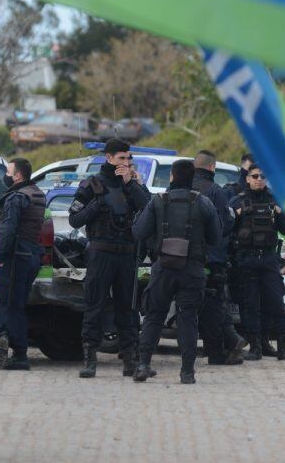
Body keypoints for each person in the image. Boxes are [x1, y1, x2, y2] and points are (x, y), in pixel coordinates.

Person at [132, 159, 222, 384]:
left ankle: (143, 364)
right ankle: (187, 371)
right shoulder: (204, 203)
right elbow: (215, 238)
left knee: (154, 315)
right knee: (188, 318)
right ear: (192, 178)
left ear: (171, 177)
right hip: (192, 269)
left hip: (163, 267)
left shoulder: (157, 201)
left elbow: (139, 232)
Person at [69, 138, 150, 378]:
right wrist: (97, 204)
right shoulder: (92, 184)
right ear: (109, 158)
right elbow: (75, 219)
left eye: (129, 158)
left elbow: (148, 210)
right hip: (100, 252)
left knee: (128, 308)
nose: (126, 162)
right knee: (94, 305)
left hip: (126, 253)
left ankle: (130, 359)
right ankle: (89, 358)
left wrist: (131, 185)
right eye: (122, 158)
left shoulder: (132, 184)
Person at [230, 164, 285, 362]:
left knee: (276, 304)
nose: (259, 178)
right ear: (248, 179)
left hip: (268, 259)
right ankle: (255, 348)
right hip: (247, 259)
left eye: (263, 176)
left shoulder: (274, 201)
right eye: (255, 176)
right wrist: (237, 215)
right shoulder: (238, 201)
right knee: (250, 305)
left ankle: (282, 347)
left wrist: (280, 213)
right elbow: (225, 227)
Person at [192, 150, 246, 365]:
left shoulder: (181, 188)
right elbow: (226, 224)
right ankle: (217, 351)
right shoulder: (214, 191)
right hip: (212, 259)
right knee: (214, 305)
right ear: (212, 168)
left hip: (181, 258)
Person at [0, 158, 46, 371]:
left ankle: (18, 352)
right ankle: (6, 336)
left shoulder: (15, 198)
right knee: (18, 303)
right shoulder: (37, 193)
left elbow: (7, 230)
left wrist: (0, 254)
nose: (5, 175)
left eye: (8, 171)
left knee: (9, 304)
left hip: (15, 255)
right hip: (32, 254)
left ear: (17, 176)